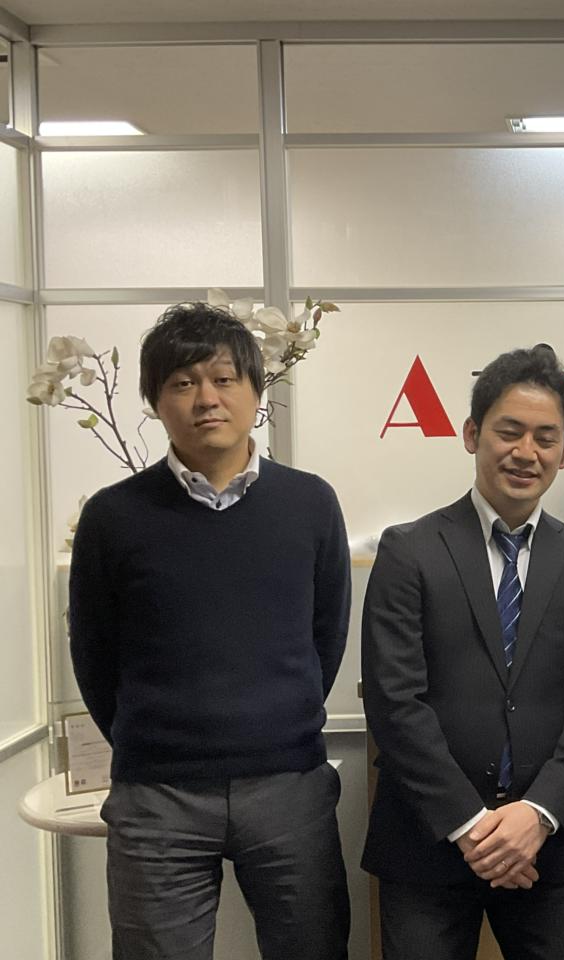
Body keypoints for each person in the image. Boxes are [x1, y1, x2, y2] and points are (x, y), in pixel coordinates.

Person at [69, 302, 352, 960]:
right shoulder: (113, 517)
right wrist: (155, 738)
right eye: (183, 383)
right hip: (157, 796)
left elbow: (327, 633)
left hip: (288, 785)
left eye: (224, 380)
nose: (206, 399)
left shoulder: (310, 503)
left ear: (256, 391)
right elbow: (94, 653)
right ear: (155, 400)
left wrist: (278, 720)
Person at [361, 344, 564, 960]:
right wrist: (472, 826)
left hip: (544, 847)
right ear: (472, 434)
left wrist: (537, 814)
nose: (526, 452)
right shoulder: (408, 552)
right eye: (509, 431)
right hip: (428, 843)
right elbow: (395, 702)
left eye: (545, 438)